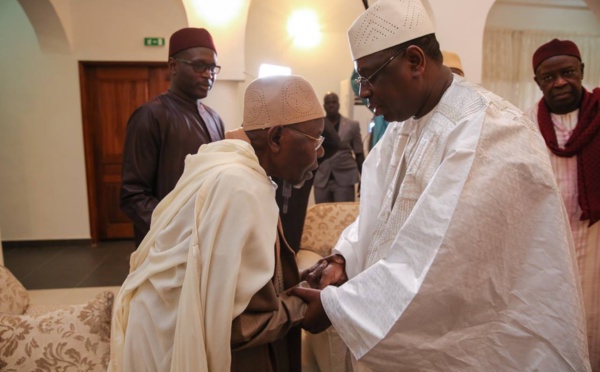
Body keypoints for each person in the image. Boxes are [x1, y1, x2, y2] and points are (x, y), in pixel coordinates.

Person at [290, 0, 591, 370]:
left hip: (480, 343)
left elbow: (445, 261)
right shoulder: (404, 126)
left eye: (369, 77)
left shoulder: (490, 129)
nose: (363, 92)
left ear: (415, 61)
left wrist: (339, 306)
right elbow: (377, 217)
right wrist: (342, 258)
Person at [109, 75, 326, 372]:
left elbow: (228, 285)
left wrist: (298, 281)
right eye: (316, 140)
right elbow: (231, 323)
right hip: (170, 346)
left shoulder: (229, 168)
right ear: (276, 138)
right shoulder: (240, 186)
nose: (321, 153)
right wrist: (306, 308)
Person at [527, 38, 600, 370]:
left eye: (568, 72)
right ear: (538, 82)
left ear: (582, 70)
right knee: (552, 320)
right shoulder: (525, 125)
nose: (559, 83)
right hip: (547, 245)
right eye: (548, 77)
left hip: (596, 237)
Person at [120, 27, 225, 246]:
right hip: (166, 246)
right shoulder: (150, 116)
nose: (208, 74)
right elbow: (133, 196)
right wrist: (176, 233)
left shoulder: (214, 119)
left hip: (206, 240)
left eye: (213, 67)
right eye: (199, 66)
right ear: (173, 66)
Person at [313, 92, 364, 203]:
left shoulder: (352, 125)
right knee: (322, 216)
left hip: (345, 178)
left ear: (339, 104)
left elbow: (359, 153)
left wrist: (364, 179)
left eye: (334, 102)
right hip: (322, 178)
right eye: (328, 103)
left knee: (343, 217)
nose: (331, 105)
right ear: (324, 105)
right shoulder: (317, 126)